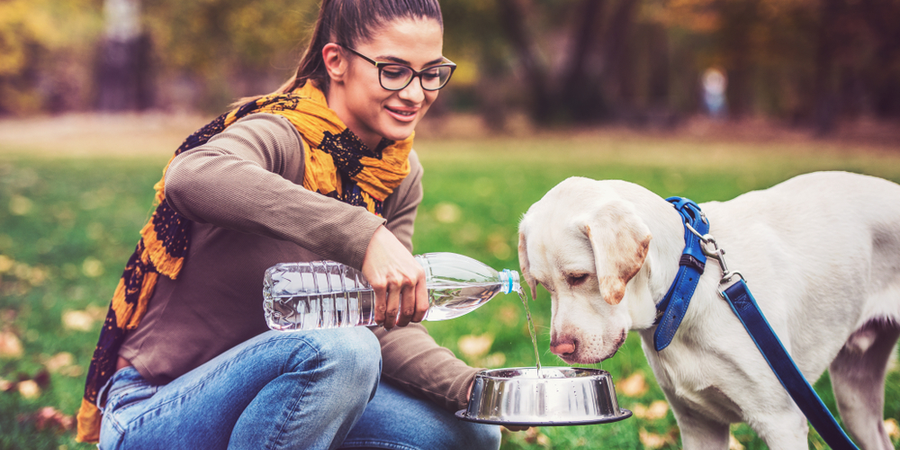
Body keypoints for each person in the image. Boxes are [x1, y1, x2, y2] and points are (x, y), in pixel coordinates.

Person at [75, 1, 503, 448]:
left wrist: (474, 388)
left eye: (431, 73)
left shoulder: (397, 172)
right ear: (336, 61)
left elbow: (382, 318)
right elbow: (192, 175)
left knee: (472, 431)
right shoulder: (282, 134)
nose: (416, 94)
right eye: (393, 71)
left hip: (288, 389)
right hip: (158, 408)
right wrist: (363, 234)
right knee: (344, 351)